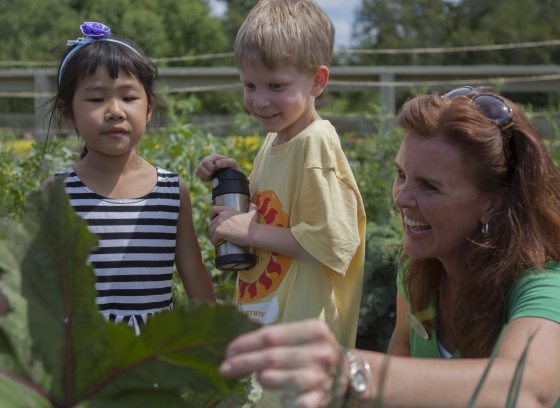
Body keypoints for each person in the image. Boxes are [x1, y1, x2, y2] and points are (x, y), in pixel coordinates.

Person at [218, 87, 560, 407]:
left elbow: (528, 388)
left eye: (430, 186)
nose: (401, 199)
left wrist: (352, 369)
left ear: (493, 202)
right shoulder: (418, 269)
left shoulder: (544, 285)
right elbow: (400, 359)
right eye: (401, 175)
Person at [196, 0, 365, 349]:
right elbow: (275, 217)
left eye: (276, 86)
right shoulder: (275, 139)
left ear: (317, 81)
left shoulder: (315, 142)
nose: (259, 101)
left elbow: (331, 241)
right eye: (250, 86)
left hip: (302, 341)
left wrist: (250, 231)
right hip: (269, 324)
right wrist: (232, 182)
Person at [49, 22, 215, 335]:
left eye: (128, 98)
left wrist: (220, 345)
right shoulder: (57, 193)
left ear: (149, 107)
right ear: (67, 114)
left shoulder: (170, 191)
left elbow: (193, 273)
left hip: (153, 357)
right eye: (96, 100)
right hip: (84, 354)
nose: (115, 111)